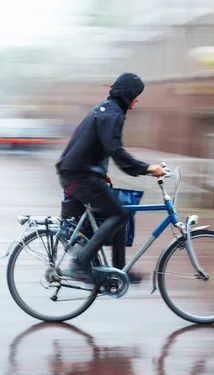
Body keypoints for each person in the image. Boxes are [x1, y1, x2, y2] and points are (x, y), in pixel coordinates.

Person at [55, 72, 164, 283]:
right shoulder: (112, 114)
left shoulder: (106, 109)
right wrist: (148, 168)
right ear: (129, 94)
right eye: (136, 94)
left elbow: (92, 143)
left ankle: (119, 271)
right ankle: (80, 263)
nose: (138, 99)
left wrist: (99, 169)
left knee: (120, 211)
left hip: (79, 172)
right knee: (120, 214)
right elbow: (115, 150)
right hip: (78, 176)